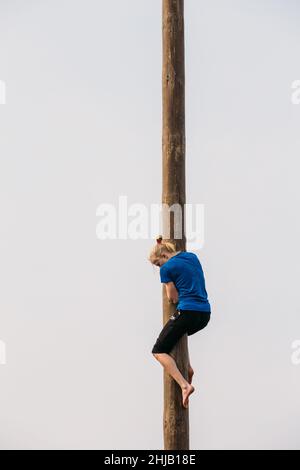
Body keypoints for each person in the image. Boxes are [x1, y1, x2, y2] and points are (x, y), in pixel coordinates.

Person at [148, 235, 211, 409]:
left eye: (157, 263)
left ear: (164, 256)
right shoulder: (192, 257)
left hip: (188, 311)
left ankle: (185, 385)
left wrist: (169, 283)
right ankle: (187, 367)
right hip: (204, 313)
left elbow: (172, 298)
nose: (159, 267)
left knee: (159, 350)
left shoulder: (167, 268)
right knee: (176, 335)